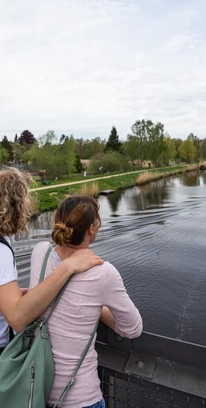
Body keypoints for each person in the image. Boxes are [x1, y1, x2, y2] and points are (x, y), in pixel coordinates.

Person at [29, 194, 143, 408]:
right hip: (80, 398)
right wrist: (97, 307)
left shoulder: (40, 253)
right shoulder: (103, 273)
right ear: (92, 229)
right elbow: (133, 329)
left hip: (35, 391)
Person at [0, 168, 104, 355]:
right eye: (25, 201)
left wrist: (11, 296)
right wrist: (68, 267)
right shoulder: (1, 251)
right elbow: (16, 318)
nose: (28, 207)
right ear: (15, 205)